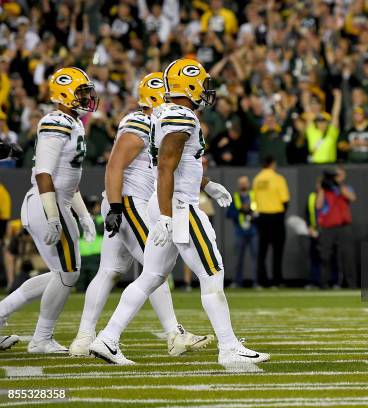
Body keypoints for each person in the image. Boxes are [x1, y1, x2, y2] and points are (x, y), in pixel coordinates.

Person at [89, 58, 268, 365]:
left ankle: (107, 338)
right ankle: (228, 347)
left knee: (151, 276)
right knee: (212, 273)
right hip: (179, 207)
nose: (206, 90)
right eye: (202, 83)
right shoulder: (181, 116)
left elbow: (177, 166)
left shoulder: (163, 112)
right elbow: (166, 168)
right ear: (189, 85)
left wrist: (207, 185)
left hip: (167, 203)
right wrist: (168, 216)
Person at [69, 72, 211, 358]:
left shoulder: (154, 123)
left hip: (128, 202)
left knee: (109, 270)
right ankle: (173, 334)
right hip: (130, 202)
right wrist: (117, 206)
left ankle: (84, 338)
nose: (171, 102)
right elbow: (114, 165)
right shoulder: (141, 121)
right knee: (154, 268)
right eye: (167, 96)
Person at [0, 67, 98, 353]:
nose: (87, 97)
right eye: (81, 91)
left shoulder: (72, 122)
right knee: (69, 273)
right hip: (47, 201)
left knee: (61, 272)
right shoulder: (56, 120)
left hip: (55, 200)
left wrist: (83, 216)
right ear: (65, 92)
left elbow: (69, 182)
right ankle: (42, 338)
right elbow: (44, 173)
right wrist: (54, 215)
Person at [316, 166, 357, 288]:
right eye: (335, 175)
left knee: (348, 255)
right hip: (328, 227)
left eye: (339, 175)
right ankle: (324, 283)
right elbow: (318, 206)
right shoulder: (325, 189)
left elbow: (352, 197)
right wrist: (322, 188)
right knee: (325, 256)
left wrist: (337, 186)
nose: (337, 177)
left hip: (344, 226)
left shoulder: (344, 188)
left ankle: (351, 284)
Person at [253, 157, 290, 287]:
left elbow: (255, 200)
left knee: (262, 251)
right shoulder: (278, 179)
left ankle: (262, 280)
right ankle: (277, 280)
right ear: (272, 164)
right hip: (276, 217)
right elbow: (285, 200)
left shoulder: (257, 180)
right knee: (277, 250)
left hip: (262, 217)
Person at [226, 176, 258, 288]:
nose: (243, 185)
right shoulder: (235, 197)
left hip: (253, 230)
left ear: (248, 184)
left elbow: (259, 212)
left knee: (255, 257)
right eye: (241, 183)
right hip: (240, 231)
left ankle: (256, 282)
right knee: (238, 258)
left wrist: (251, 212)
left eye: (245, 183)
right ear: (239, 185)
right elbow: (229, 214)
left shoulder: (253, 196)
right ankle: (237, 281)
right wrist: (240, 210)